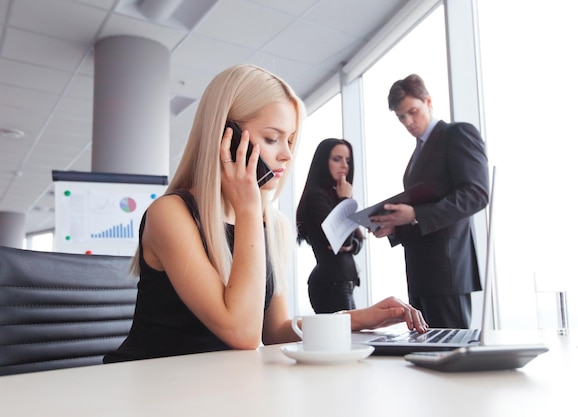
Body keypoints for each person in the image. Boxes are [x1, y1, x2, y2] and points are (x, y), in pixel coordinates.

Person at [103, 65, 428, 363]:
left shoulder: (270, 223)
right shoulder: (171, 215)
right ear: (225, 138)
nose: (286, 154)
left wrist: (356, 318)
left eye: (290, 140)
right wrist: (248, 208)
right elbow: (244, 335)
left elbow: (275, 330)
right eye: (272, 138)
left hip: (215, 389)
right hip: (153, 391)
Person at [369, 73, 489, 329]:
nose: (408, 122)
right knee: (428, 353)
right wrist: (395, 225)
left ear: (429, 101)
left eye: (413, 111)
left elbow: (476, 194)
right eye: (401, 117)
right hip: (421, 271)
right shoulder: (418, 152)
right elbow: (422, 204)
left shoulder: (457, 134)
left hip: (448, 269)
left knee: (452, 351)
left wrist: (413, 215)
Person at [296, 138, 364, 313]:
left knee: (349, 336)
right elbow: (342, 240)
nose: (344, 166)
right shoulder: (317, 197)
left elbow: (356, 242)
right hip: (330, 284)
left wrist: (351, 245)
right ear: (323, 161)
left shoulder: (333, 195)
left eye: (348, 161)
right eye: (337, 159)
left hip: (341, 282)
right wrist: (345, 200)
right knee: (344, 338)